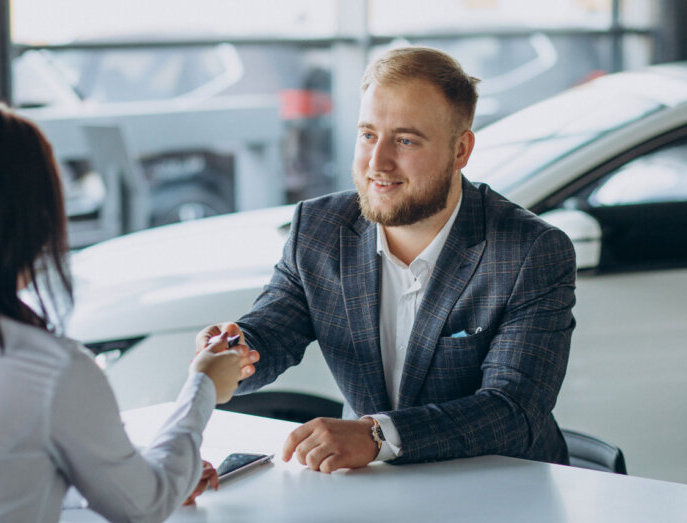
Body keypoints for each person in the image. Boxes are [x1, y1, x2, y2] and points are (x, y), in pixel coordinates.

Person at [0, 97, 258, 523]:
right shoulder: (47, 370)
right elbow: (143, 505)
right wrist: (203, 386)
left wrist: (144, 468)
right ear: (30, 219)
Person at [197, 47, 577, 473]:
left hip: (503, 490)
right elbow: (273, 330)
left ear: (460, 150)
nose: (378, 163)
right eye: (368, 135)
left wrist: (377, 436)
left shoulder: (531, 251)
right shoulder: (320, 228)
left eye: (405, 140)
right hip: (375, 489)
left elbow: (514, 411)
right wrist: (238, 350)